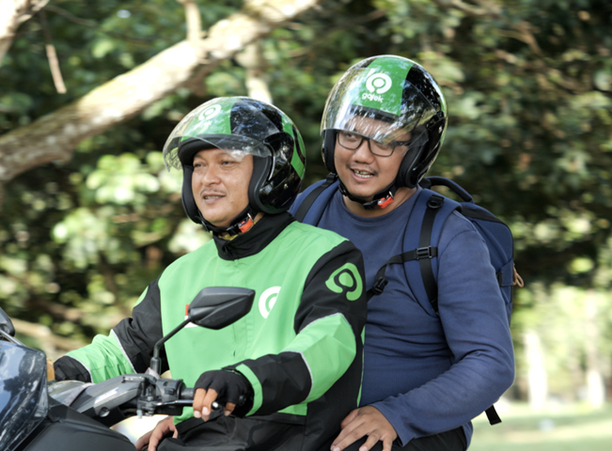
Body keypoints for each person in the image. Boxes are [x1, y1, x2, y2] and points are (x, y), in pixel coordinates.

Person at [53, 96, 368, 451]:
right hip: (198, 442)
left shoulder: (325, 255)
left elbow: (328, 346)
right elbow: (122, 351)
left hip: (289, 442)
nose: (208, 179)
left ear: (271, 171)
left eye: (226, 162)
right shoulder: (180, 275)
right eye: (199, 166)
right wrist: (50, 373)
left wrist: (243, 381)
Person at [290, 55, 515, 451]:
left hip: (413, 432)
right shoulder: (309, 208)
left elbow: (490, 362)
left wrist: (397, 414)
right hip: (307, 420)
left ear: (415, 153)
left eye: (383, 142)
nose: (361, 155)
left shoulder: (449, 235)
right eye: (350, 136)